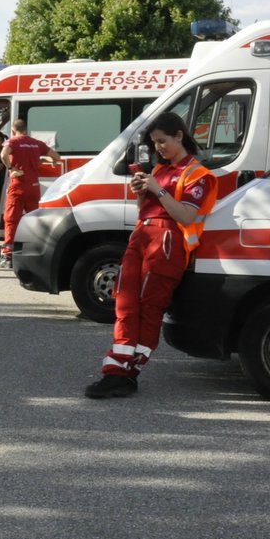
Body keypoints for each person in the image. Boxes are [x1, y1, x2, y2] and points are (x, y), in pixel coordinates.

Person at [85, 113, 219, 399]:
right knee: (124, 301)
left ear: (179, 136)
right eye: (155, 143)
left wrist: (157, 190)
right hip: (142, 235)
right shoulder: (161, 170)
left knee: (148, 306)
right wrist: (141, 193)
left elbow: (185, 215)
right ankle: (116, 371)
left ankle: (127, 371)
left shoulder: (198, 175)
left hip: (168, 240)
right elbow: (145, 210)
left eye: (162, 141)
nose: (158, 147)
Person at [0, 118, 58, 269]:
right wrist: (43, 161)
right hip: (34, 186)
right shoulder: (36, 143)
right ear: (26, 129)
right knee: (34, 219)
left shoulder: (12, 142)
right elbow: (56, 157)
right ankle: (37, 250)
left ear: (13, 130)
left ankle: (7, 254)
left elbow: (3, 155)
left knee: (11, 219)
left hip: (18, 185)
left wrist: (11, 168)